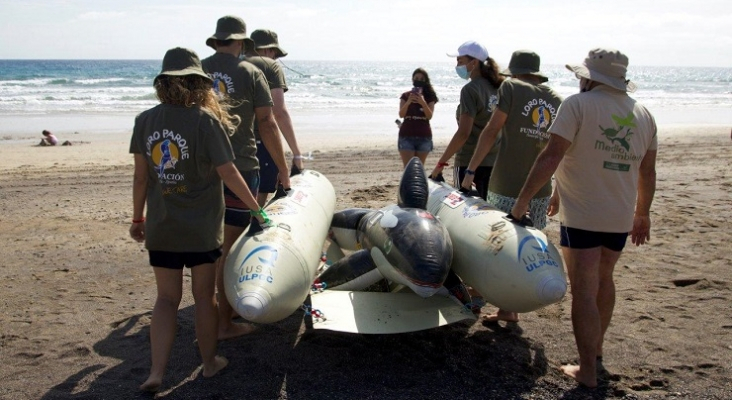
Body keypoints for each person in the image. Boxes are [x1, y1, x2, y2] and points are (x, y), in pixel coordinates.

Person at [510, 48, 658, 388]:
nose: (579, 80)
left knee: (585, 290)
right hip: (620, 216)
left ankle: (587, 371)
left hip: (585, 217)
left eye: (582, 76)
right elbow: (646, 172)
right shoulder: (644, 114)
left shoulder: (577, 105)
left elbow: (551, 157)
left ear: (590, 78)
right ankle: (597, 351)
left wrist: (521, 203)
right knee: (604, 279)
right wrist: (643, 214)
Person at [129, 47, 270, 392]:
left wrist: (137, 218)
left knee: (165, 300)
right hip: (202, 228)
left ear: (163, 83)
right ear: (198, 84)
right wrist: (256, 208)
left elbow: (141, 178)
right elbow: (229, 172)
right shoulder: (206, 121)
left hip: (162, 226)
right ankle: (209, 363)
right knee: (204, 297)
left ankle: (156, 373)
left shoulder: (145, 120)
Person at [201, 15, 291, 340]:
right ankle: (224, 324)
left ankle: (208, 318)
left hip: (200, 174)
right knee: (230, 250)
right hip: (240, 168)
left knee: (205, 250)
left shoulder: (196, 70)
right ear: (240, 42)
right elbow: (267, 123)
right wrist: (283, 167)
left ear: (216, 40)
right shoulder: (251, 71)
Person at [461, 50, 563, 323]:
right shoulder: (555, 99)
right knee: (525, 248)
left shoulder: (511, 87)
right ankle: (509, 308)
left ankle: (494, 299)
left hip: (506, 183)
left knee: (496, 244)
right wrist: (558, 192)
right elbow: (559, 151)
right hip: (540, 189)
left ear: (515, 71)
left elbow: (492, 130)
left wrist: (471, 170)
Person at [430, 41, 504, 200]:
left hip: (468, 161)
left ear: (474, 63)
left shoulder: (470, 90)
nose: (457, 65)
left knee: (466, 211)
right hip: (494, 162)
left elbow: (463, 133)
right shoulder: (499, 87)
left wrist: (440, 164)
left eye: (460, 61)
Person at [245, 28, 304, 206]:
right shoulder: (270, 66)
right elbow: (278, 112)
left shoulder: (231, 66)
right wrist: (296, 153)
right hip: (259, 141)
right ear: (268, 50)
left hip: (227, 141)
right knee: (257, 198)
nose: (275, 58)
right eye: (275, 54)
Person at [397, 68, 438, 166]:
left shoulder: (429, 96)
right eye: (416, 78)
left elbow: (429, 116)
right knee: (408, 168)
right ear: (412, 80)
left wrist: (423, 103)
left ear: (425, 81)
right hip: (406, 135)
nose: (418, 80)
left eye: (421, 79)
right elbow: (401, 114)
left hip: (424, 135)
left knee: (419, 168)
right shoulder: (405, 96)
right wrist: (408, 102)